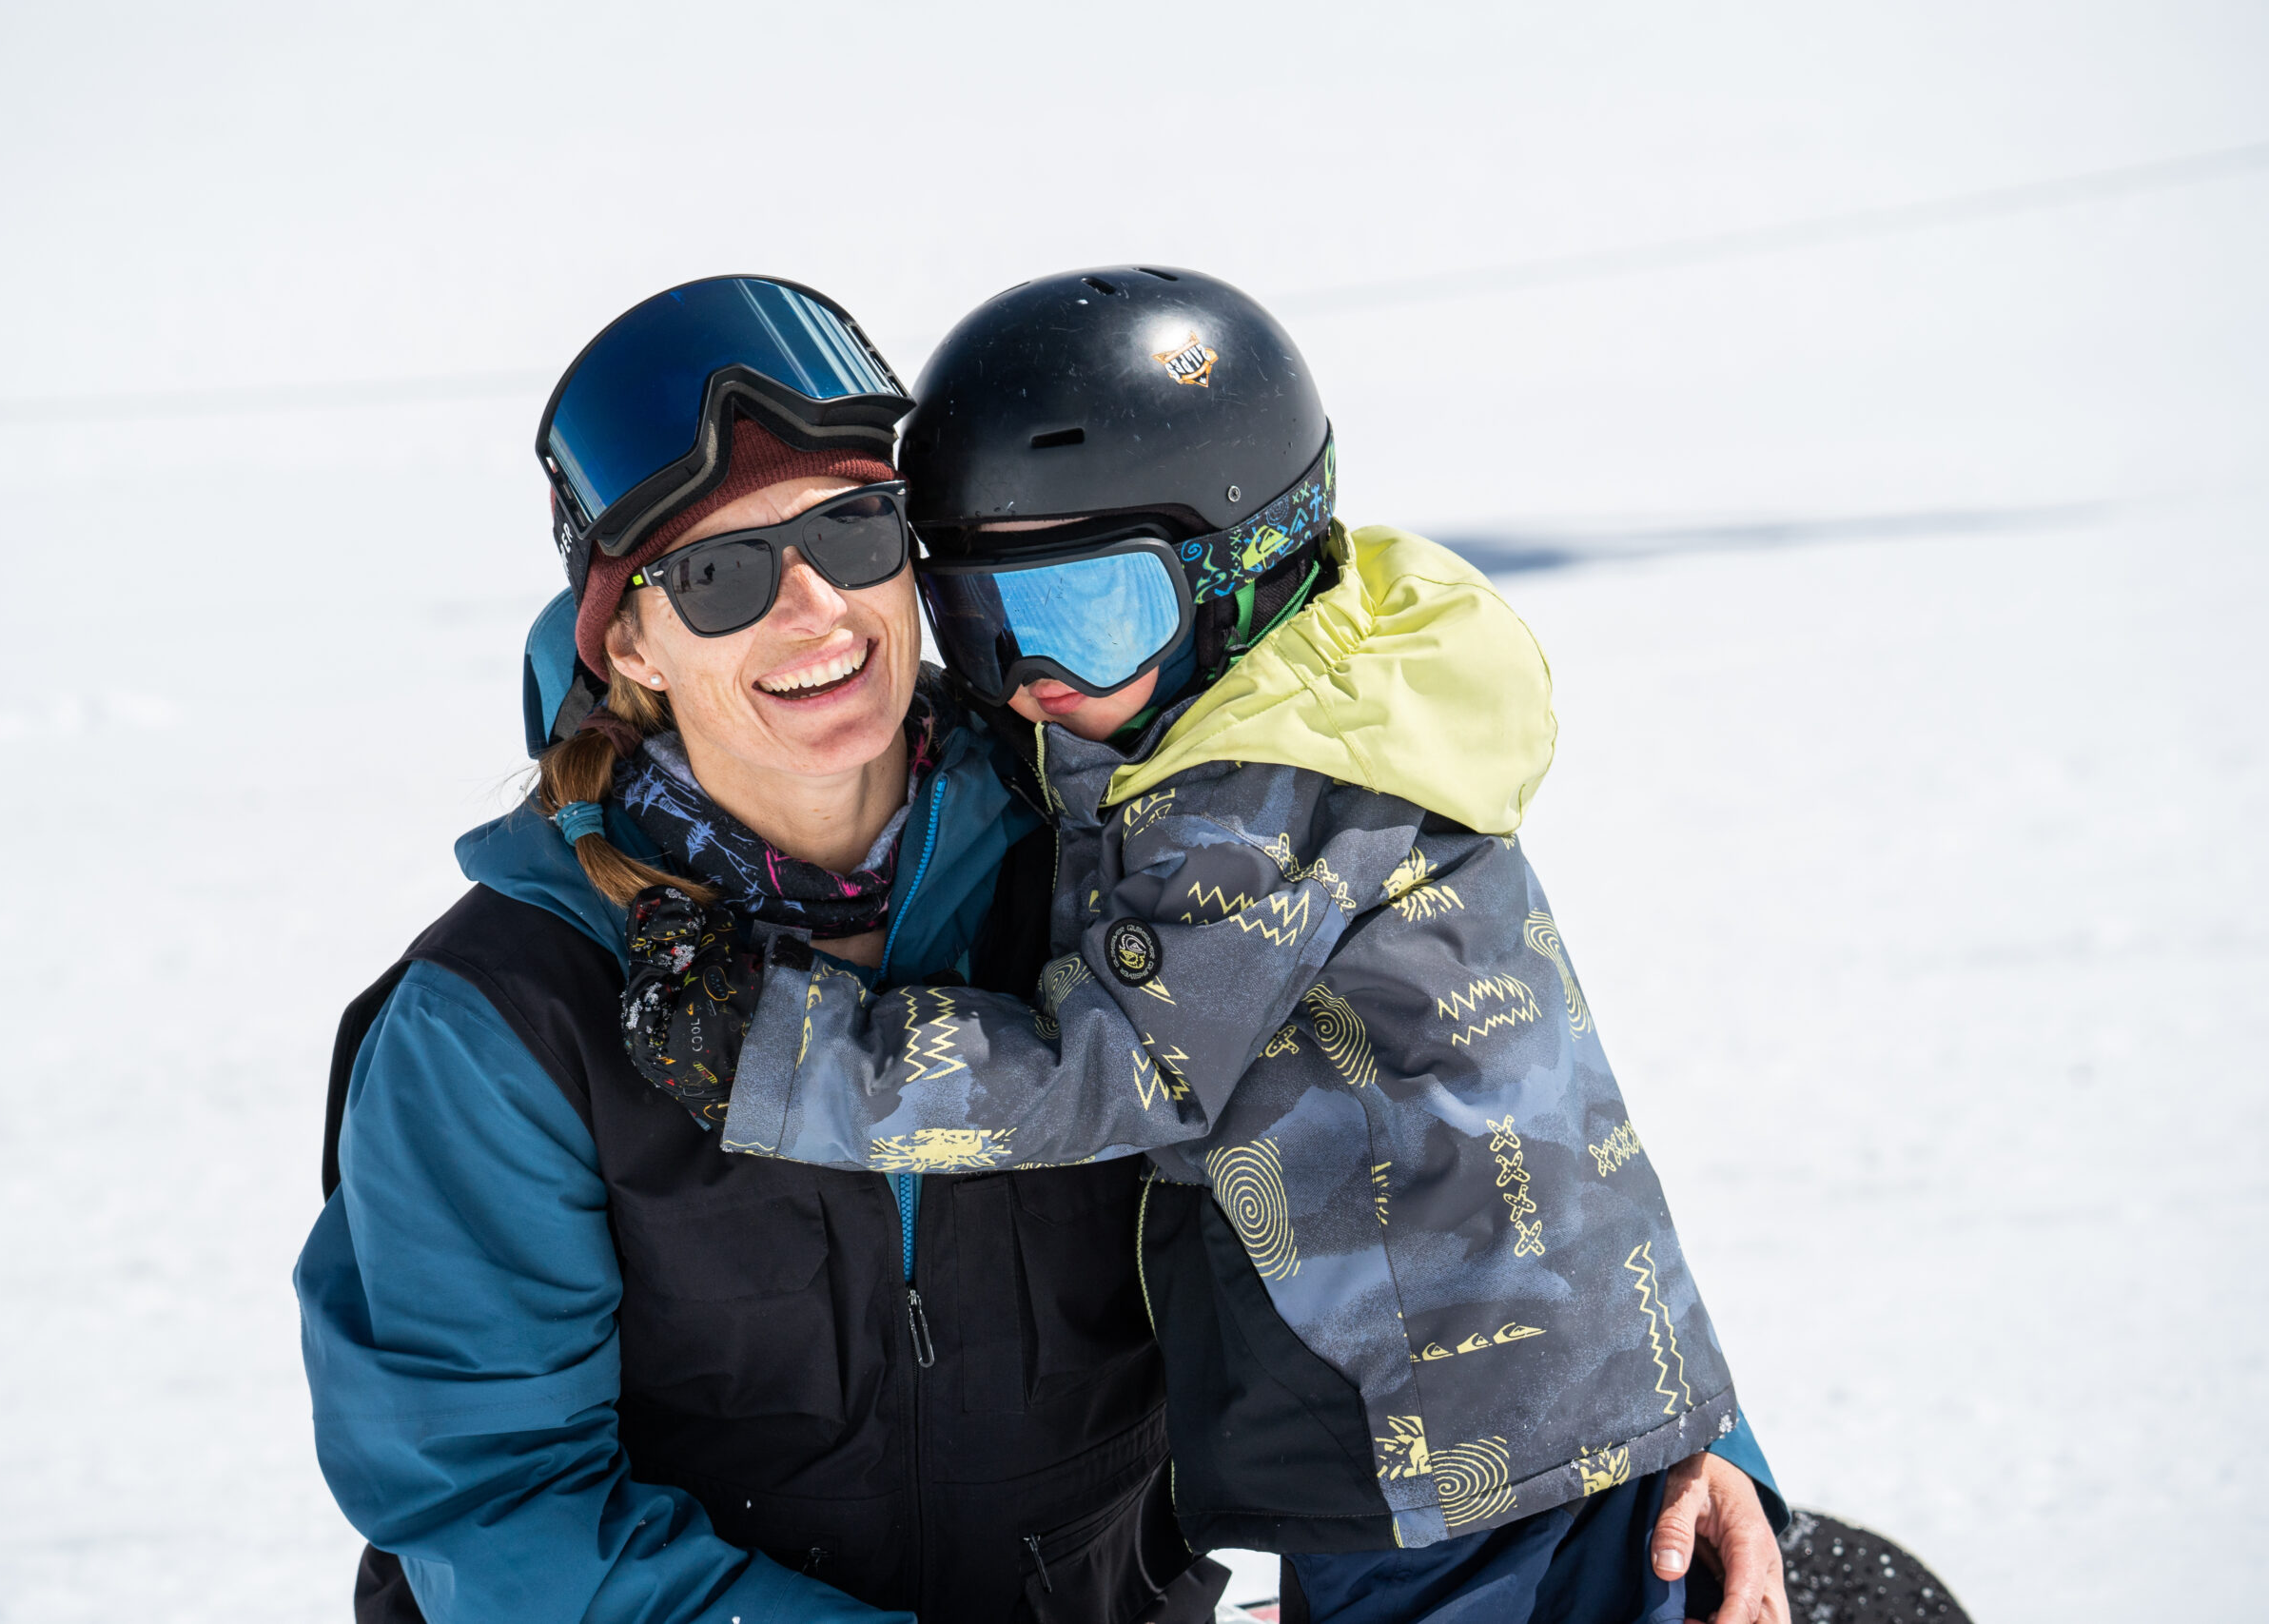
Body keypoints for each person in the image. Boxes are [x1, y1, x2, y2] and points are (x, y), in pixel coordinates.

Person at [659, 268, 1792, 1623]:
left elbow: (1119, 1066)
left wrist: (786, 1055)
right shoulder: (1300, 708)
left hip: (1463, 1459)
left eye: (1088, 615)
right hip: (1478, 1422)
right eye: (976, 621)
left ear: (1239, 576)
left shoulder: (1255, 801)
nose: (1030, 683)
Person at [295, 277, 1224, 1624]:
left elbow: (1388, 1157)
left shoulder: (1099, 865)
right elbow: (495, 1507)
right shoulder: (504, 1021)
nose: (814, 611)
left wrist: (1610, 1406)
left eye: (853, 531)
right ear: (632, 640)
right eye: (721, 576)